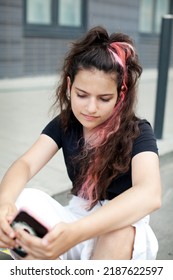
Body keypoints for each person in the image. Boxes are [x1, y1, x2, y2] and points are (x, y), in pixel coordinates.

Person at [0, 26, 162, 260]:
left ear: (120, 95)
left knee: (119, 232)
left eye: (104, 98)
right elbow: (25, 164)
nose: (90, 108)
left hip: (118, 229)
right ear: (69, 86)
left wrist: (75, 233)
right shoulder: (66, 122)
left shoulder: (138, 131)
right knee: (23, 201)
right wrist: (4, 204)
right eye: (81, 95)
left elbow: (150, 193)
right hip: (76, 218)